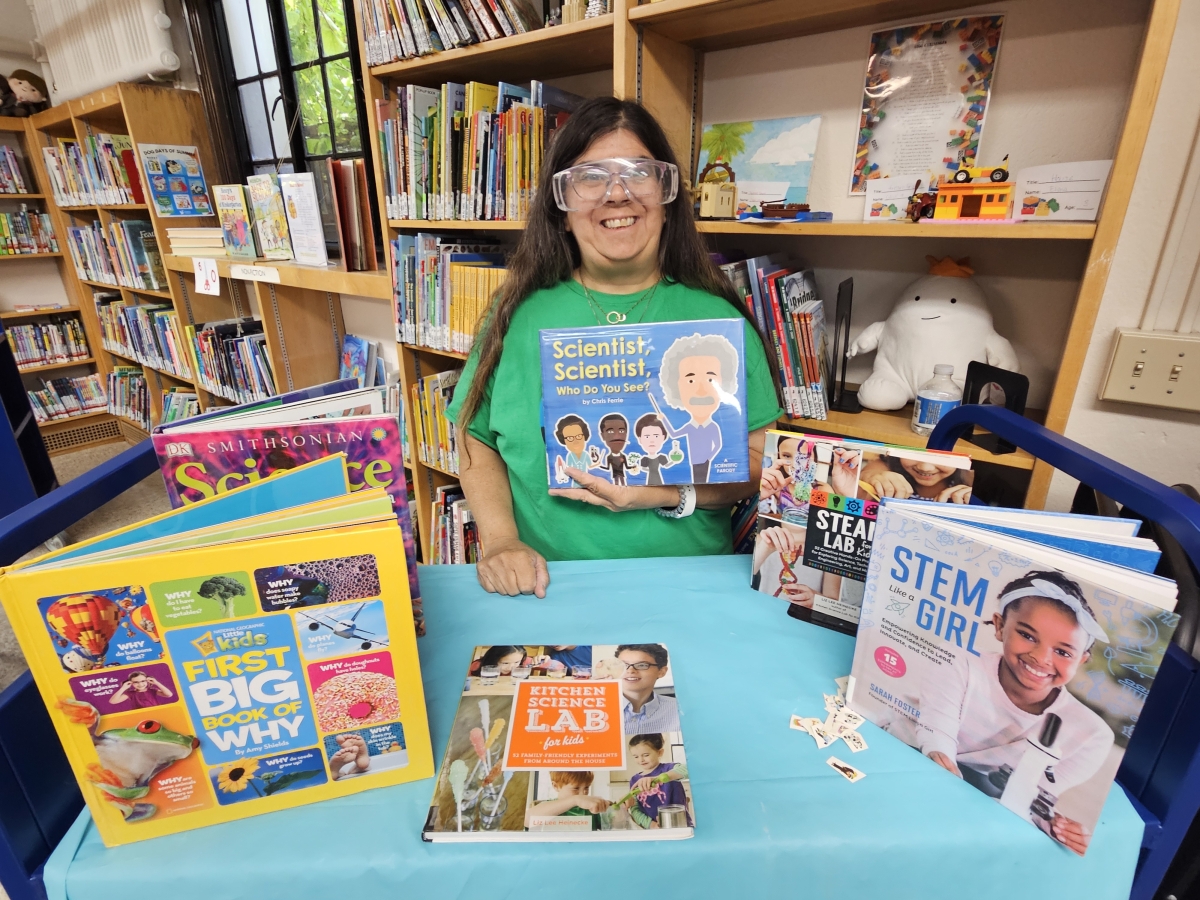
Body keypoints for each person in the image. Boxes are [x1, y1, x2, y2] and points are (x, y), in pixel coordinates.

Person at [446, 97, 783, 599]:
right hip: (548, 585)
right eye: (590, 177)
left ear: (667, 197)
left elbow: (761, 463)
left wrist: (659, 494)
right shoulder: (515, 313)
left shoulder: (718, 317)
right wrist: (499, 541)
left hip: (691, 585)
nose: (617, 194)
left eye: (638, 173)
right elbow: (475, 435)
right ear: (561, 209)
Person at [916, 570, 1113, 855]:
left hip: (983, 802)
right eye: (1026, 635)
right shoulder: (960, 662)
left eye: (1063, 652)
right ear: (999, 626)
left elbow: (1032, 795)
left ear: (1082, 659)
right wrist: (938, 764)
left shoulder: (1092, 735)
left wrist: (1053, 825)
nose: (1041, 658)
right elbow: (937, 739)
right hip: (925, 764)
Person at [750, 523, 842, 607]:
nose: (799, 503)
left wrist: (816, 601)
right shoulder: (762, 540)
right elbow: (742, 576)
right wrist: (765, 547)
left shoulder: (829, 553)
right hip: (764, 612)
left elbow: (833, 604)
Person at [623, 733, 690, 828]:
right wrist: (652, 825)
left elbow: (689, 770)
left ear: (660, 752)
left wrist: (659, 778)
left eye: (645, 755)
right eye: (636, 756)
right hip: (655, 831)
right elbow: (635, 809)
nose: (641, 760)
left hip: (680, 826)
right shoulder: (635, 780)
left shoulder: (669, 769)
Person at [860, 452, 973, 503]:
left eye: (941, 457)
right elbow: (870, 474)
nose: (925, 467)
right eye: (914, 453)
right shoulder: (885, 466)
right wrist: (872, 478)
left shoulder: (970, 479)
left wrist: (975, 503)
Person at [616, 643, 680, 733]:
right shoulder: (594, 708)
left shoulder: (680, 710)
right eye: (623, 665)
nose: (630, 671)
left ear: (661, 671)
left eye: (642, 665)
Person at [525, 770, 611, 829]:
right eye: (576, 788)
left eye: (586, 787)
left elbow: (607, 828)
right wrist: (575, 800)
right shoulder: (548, 807)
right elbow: (528, 819)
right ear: (556, 786)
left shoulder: (590, 809)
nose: (583, 793)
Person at [629, 414, 675, 486]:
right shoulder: (644, 459)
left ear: (663, 437)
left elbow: (666, 465)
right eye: (647, 436)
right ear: (640, 439)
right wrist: (638, 467)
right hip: (650, 478)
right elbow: (643, 468)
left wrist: (674, 461)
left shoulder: (661, 457)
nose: (652, 440)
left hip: (659, 478)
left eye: (656, 436)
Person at [109, 671, 173, 709]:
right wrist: (123, 688)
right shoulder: (130, 693)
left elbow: (169, 694)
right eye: (136, 682)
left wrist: (156, 683)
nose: (140, 684)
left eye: (143, 681)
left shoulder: (152, 691)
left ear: (147, 681)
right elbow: (113, 701)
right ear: (131, 683)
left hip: (156, 712)